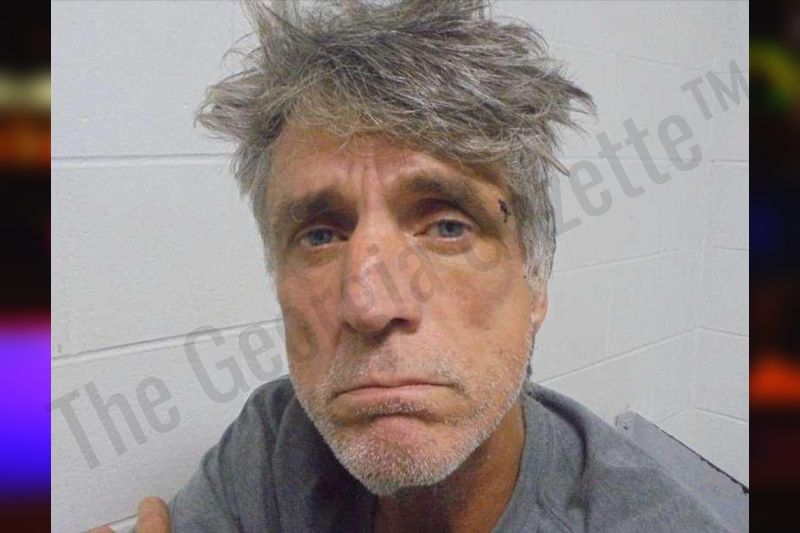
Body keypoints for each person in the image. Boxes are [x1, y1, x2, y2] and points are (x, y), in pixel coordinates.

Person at [92, 1, 728, 531]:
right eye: (320, 235)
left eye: (448, 226)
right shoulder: (275, 447)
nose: (369, 303)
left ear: (535, 281)